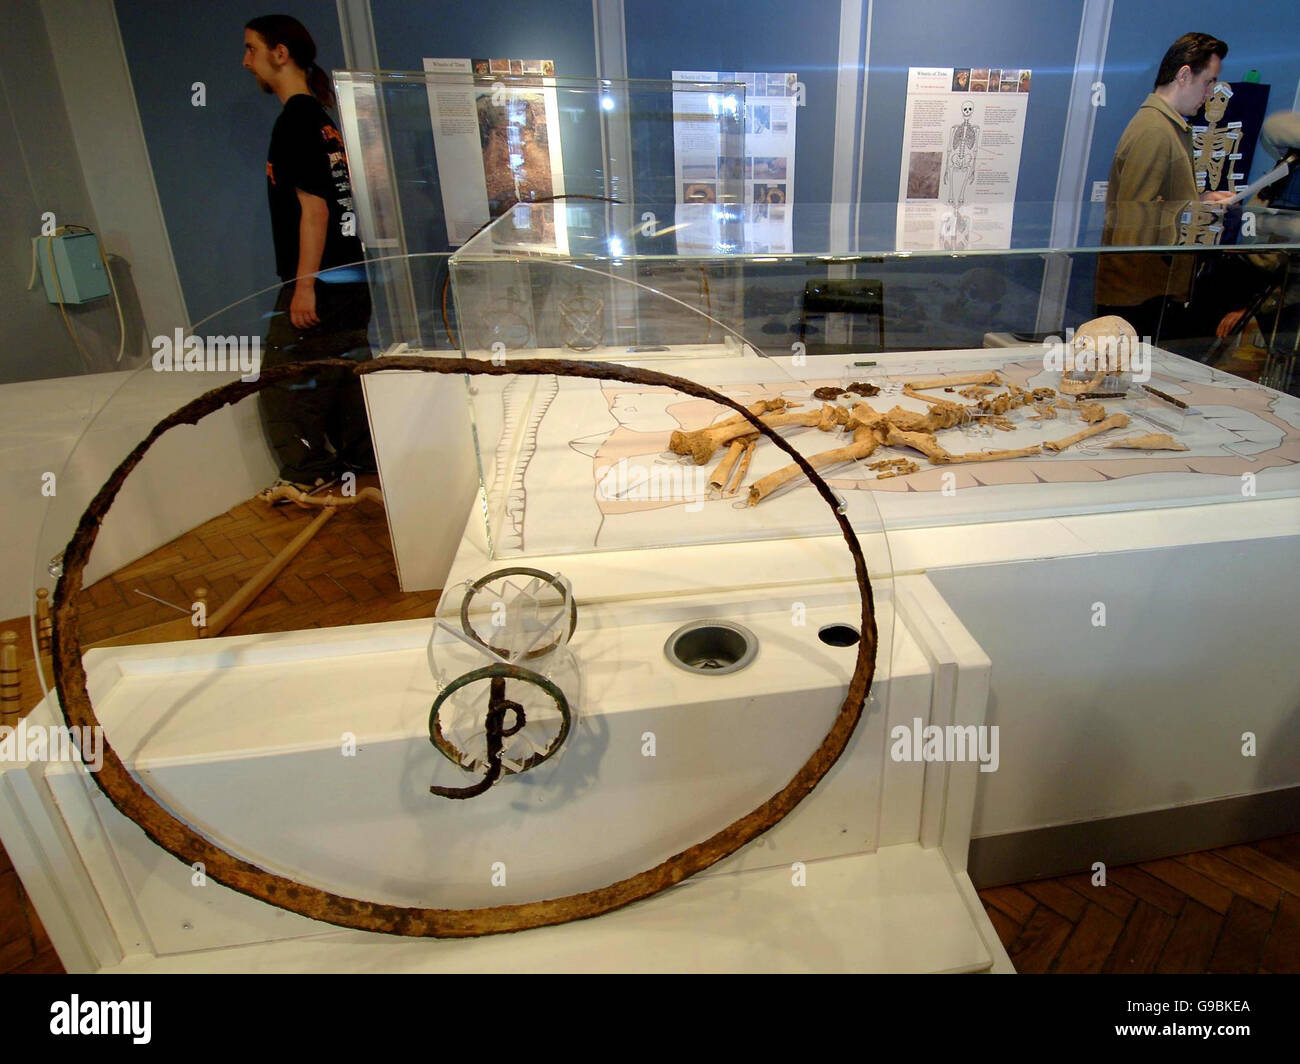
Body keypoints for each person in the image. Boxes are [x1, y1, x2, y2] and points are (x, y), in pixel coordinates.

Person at [242, 14, 376, 495]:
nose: (246, 61)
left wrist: (303, 287)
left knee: (285, 383)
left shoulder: (296, 122)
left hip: (321, 284)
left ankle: (307, 475)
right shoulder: (322, 121)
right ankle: (360, 465)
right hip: (349, 282)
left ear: (281, 53)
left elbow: (315, 212)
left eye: (252, 49)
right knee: (342, 377)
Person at [1095, 33, 1235, 344]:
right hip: (1137, 295)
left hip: (1145, 291)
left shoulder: (1167, 127)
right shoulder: (1155, 131)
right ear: (1184, 75)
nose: (1211, 92)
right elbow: (1135, 222)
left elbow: (1154, 202)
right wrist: (1193, 209)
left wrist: (1200, 200)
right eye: (1208, 82)